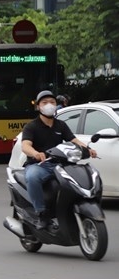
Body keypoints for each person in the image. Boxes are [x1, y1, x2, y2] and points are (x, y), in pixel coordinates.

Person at [21, 90, 96, 229]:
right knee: (32, 177)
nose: (49, 105)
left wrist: (88, 149)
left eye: (52, 102)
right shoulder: (31, 126)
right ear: (38, 106)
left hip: (60, 164)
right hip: (39, 165)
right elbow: (25, 145)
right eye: (44, 102)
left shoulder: (61, 125)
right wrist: (35, 153)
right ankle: (41, 213)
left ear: (56, 105)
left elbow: (74, 140)